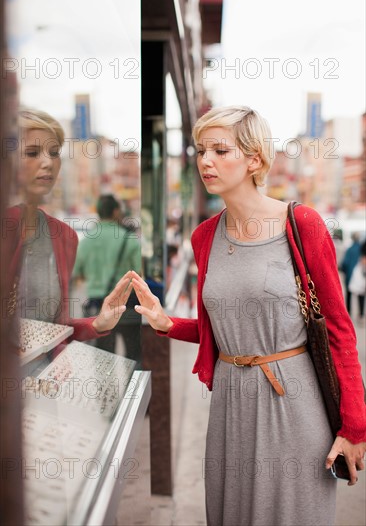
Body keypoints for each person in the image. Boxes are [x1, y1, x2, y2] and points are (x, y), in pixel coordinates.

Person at [129, 106, 366, 526]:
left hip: (292, 403)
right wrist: (167, 324)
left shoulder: (302, 225)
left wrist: (354, 429)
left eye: (221, 150)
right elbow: (221, 330)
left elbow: (339, 332)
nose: (206, 161)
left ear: (254, 159)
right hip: (229, 406)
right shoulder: (205, 236)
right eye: (201, 150)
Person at [5, 109, 132, 350]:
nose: (48, 162)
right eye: (32, 153)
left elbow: (54, 329)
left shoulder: (64, 236)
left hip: (47, 382)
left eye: (54, 153)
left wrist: (97, 324)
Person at [73, 195, 141, 364]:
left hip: (97, 305)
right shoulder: (129, 239)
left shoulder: (86, 241)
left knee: (103, 358)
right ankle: (133, 389)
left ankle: (106, 390)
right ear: (116, 211)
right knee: (133, 354)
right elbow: (139, 274)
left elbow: (78, 274)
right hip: (127, 303)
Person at [341, 232, 362, 316]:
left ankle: (349, 312)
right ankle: (361, 313)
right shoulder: (361, 249)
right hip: (361, 276)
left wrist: (345, 271)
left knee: (348, 294)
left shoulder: (349, 249)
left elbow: (345, 263)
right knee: (361, 294)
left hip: (349, 275)